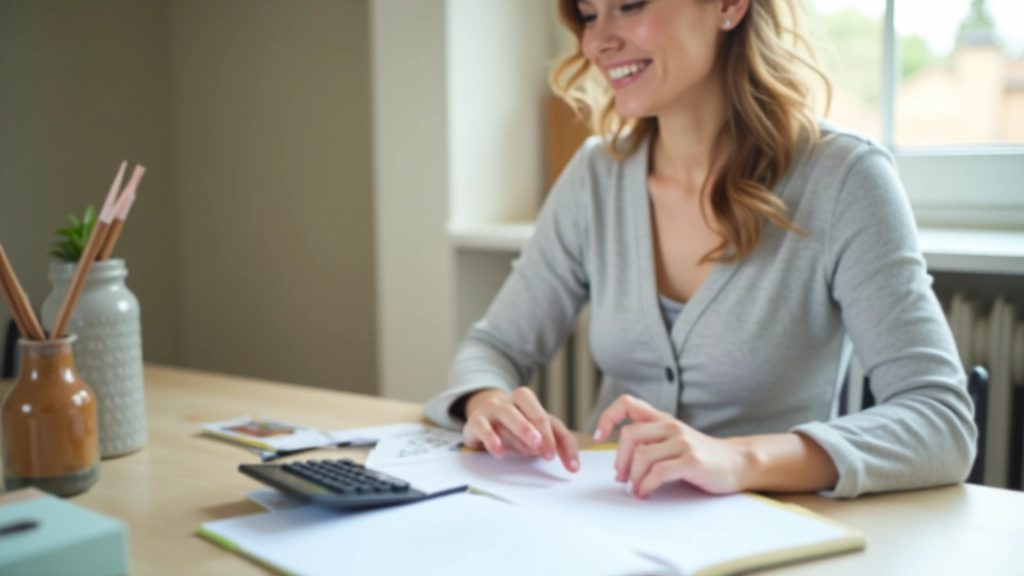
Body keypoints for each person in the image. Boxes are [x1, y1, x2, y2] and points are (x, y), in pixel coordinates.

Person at [425, 0, 977, 499]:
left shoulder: (846, 180)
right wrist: (487, 403)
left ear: (729, 5)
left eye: (630, 5)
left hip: (775, 536)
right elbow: (495, 346)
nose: (597, 42)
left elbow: (940, 420)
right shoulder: (596, 176)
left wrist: (737, 457)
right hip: (605, 524)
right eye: (590, 14)